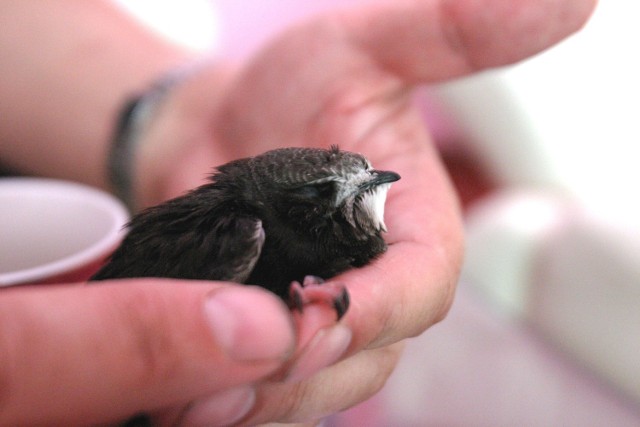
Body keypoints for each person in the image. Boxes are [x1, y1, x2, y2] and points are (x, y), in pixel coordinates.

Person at [0, 0, 595, 425]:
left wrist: (177, 117)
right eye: (324, 194)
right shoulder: (235, 233)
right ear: (291, 207)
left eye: (362, 178)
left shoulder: (332, 238)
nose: (370, 187)